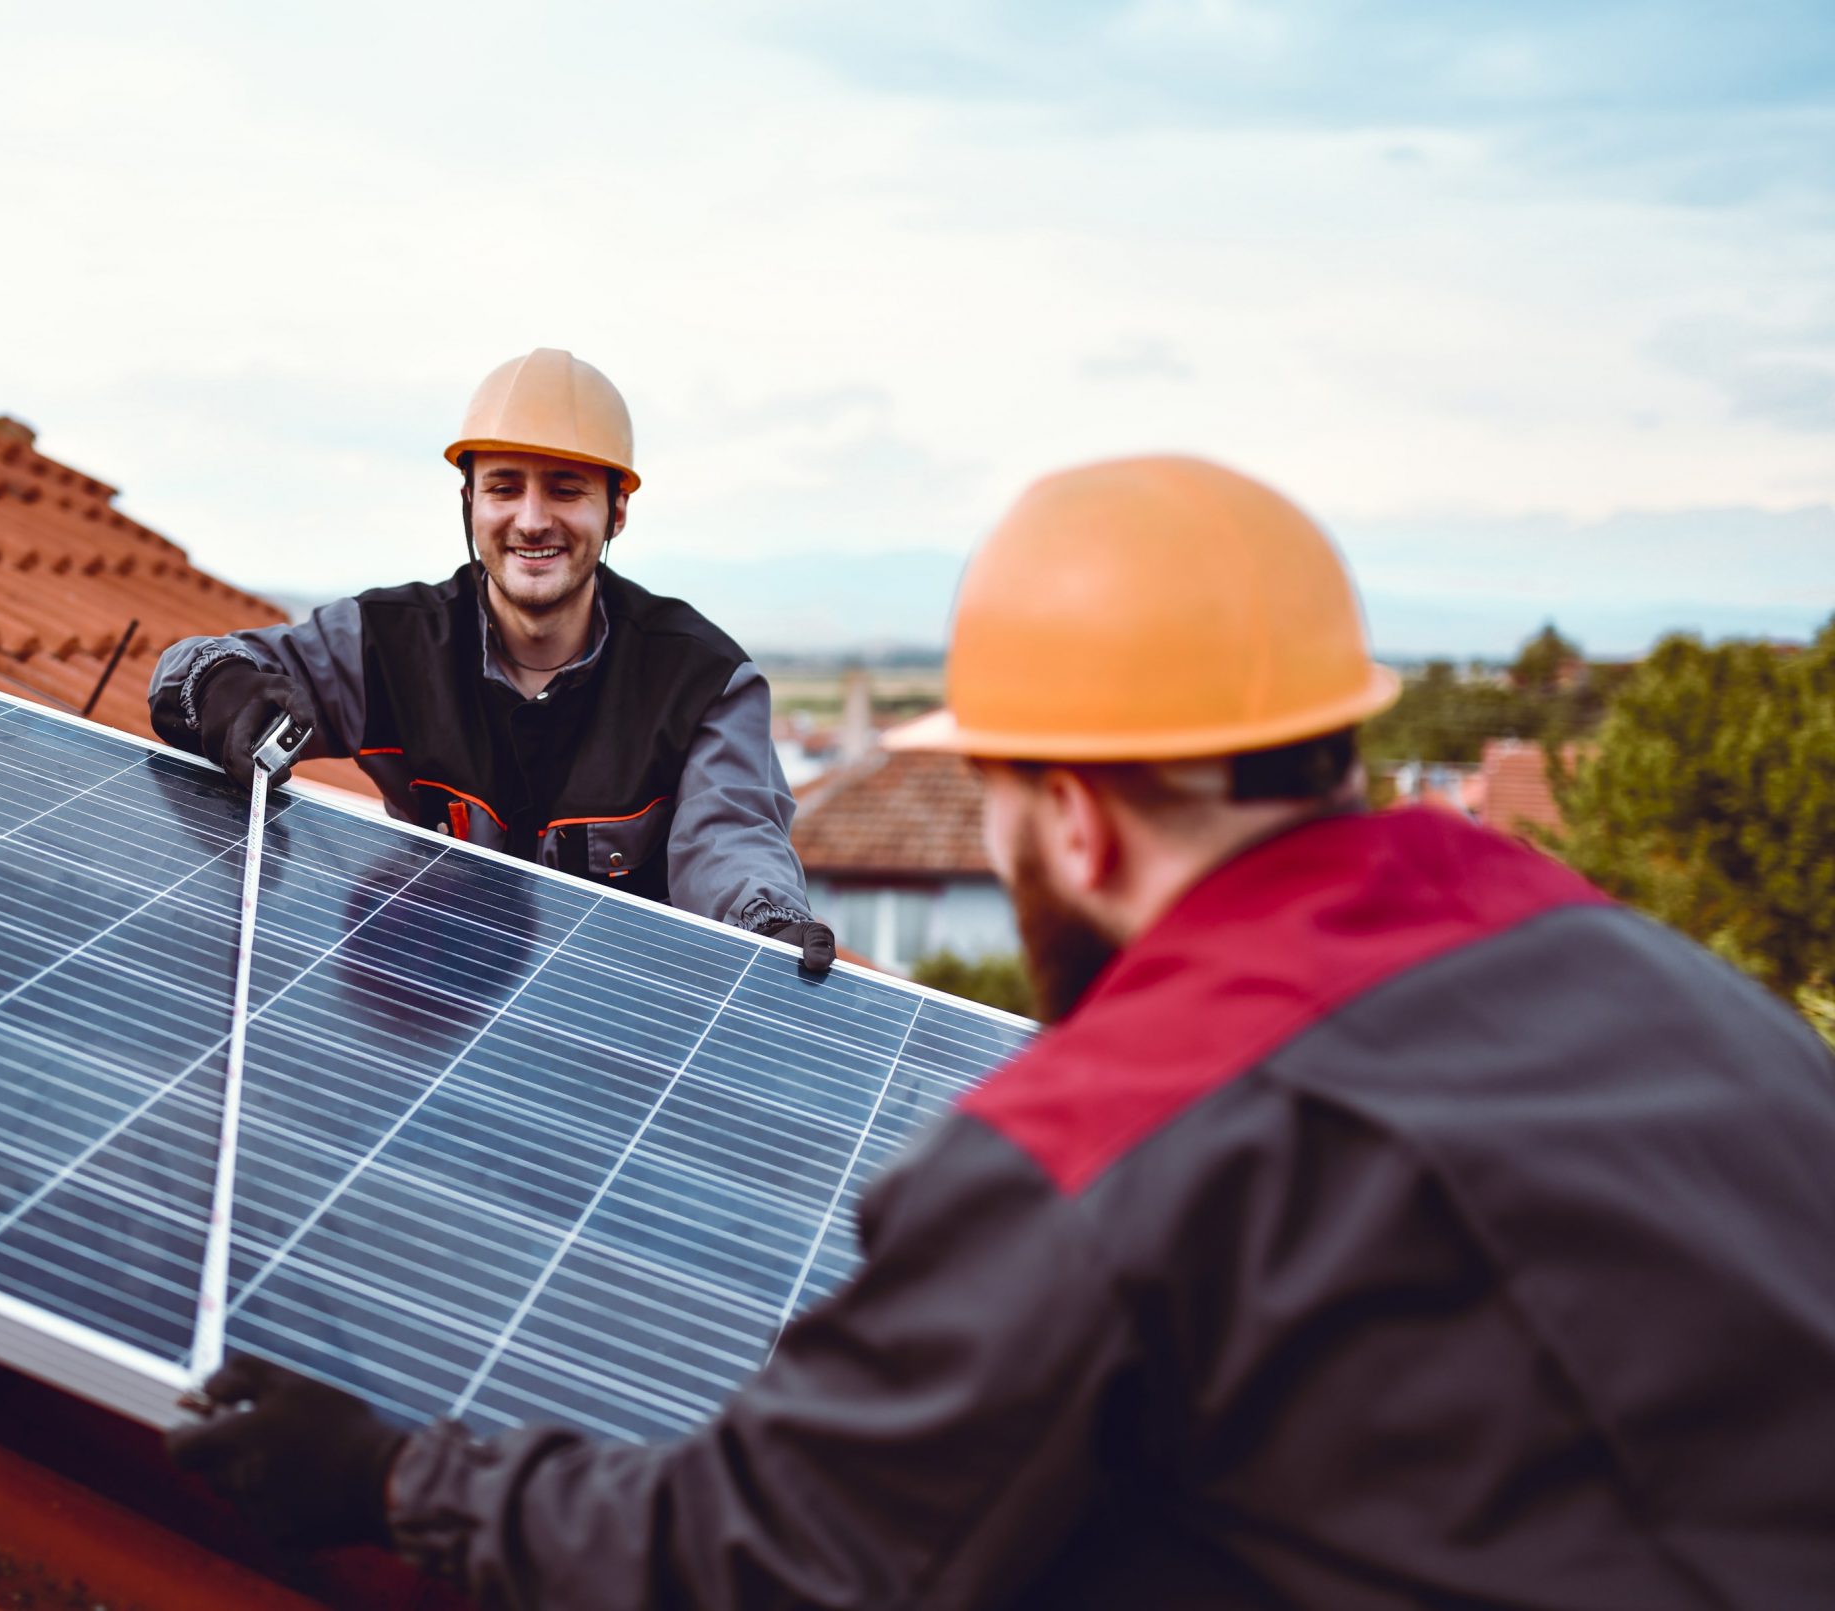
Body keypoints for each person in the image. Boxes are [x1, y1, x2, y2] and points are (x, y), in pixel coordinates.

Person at [169, 455, 1835, 1607]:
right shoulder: (1617, 953)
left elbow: (777, 1554)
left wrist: (399, 1479)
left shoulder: (1097, 1152)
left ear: (1077, 829)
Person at [149, 348, 835, 974]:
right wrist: (218, 685)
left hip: (621, 1032)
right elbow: (206, 663)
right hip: (442, 1005)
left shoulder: (703, 681)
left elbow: (732, 837)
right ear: (469, 500)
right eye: (506, 487)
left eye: (565, 489)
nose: (532, 520)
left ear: (617, 508)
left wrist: (763, 923)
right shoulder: (387, 643)